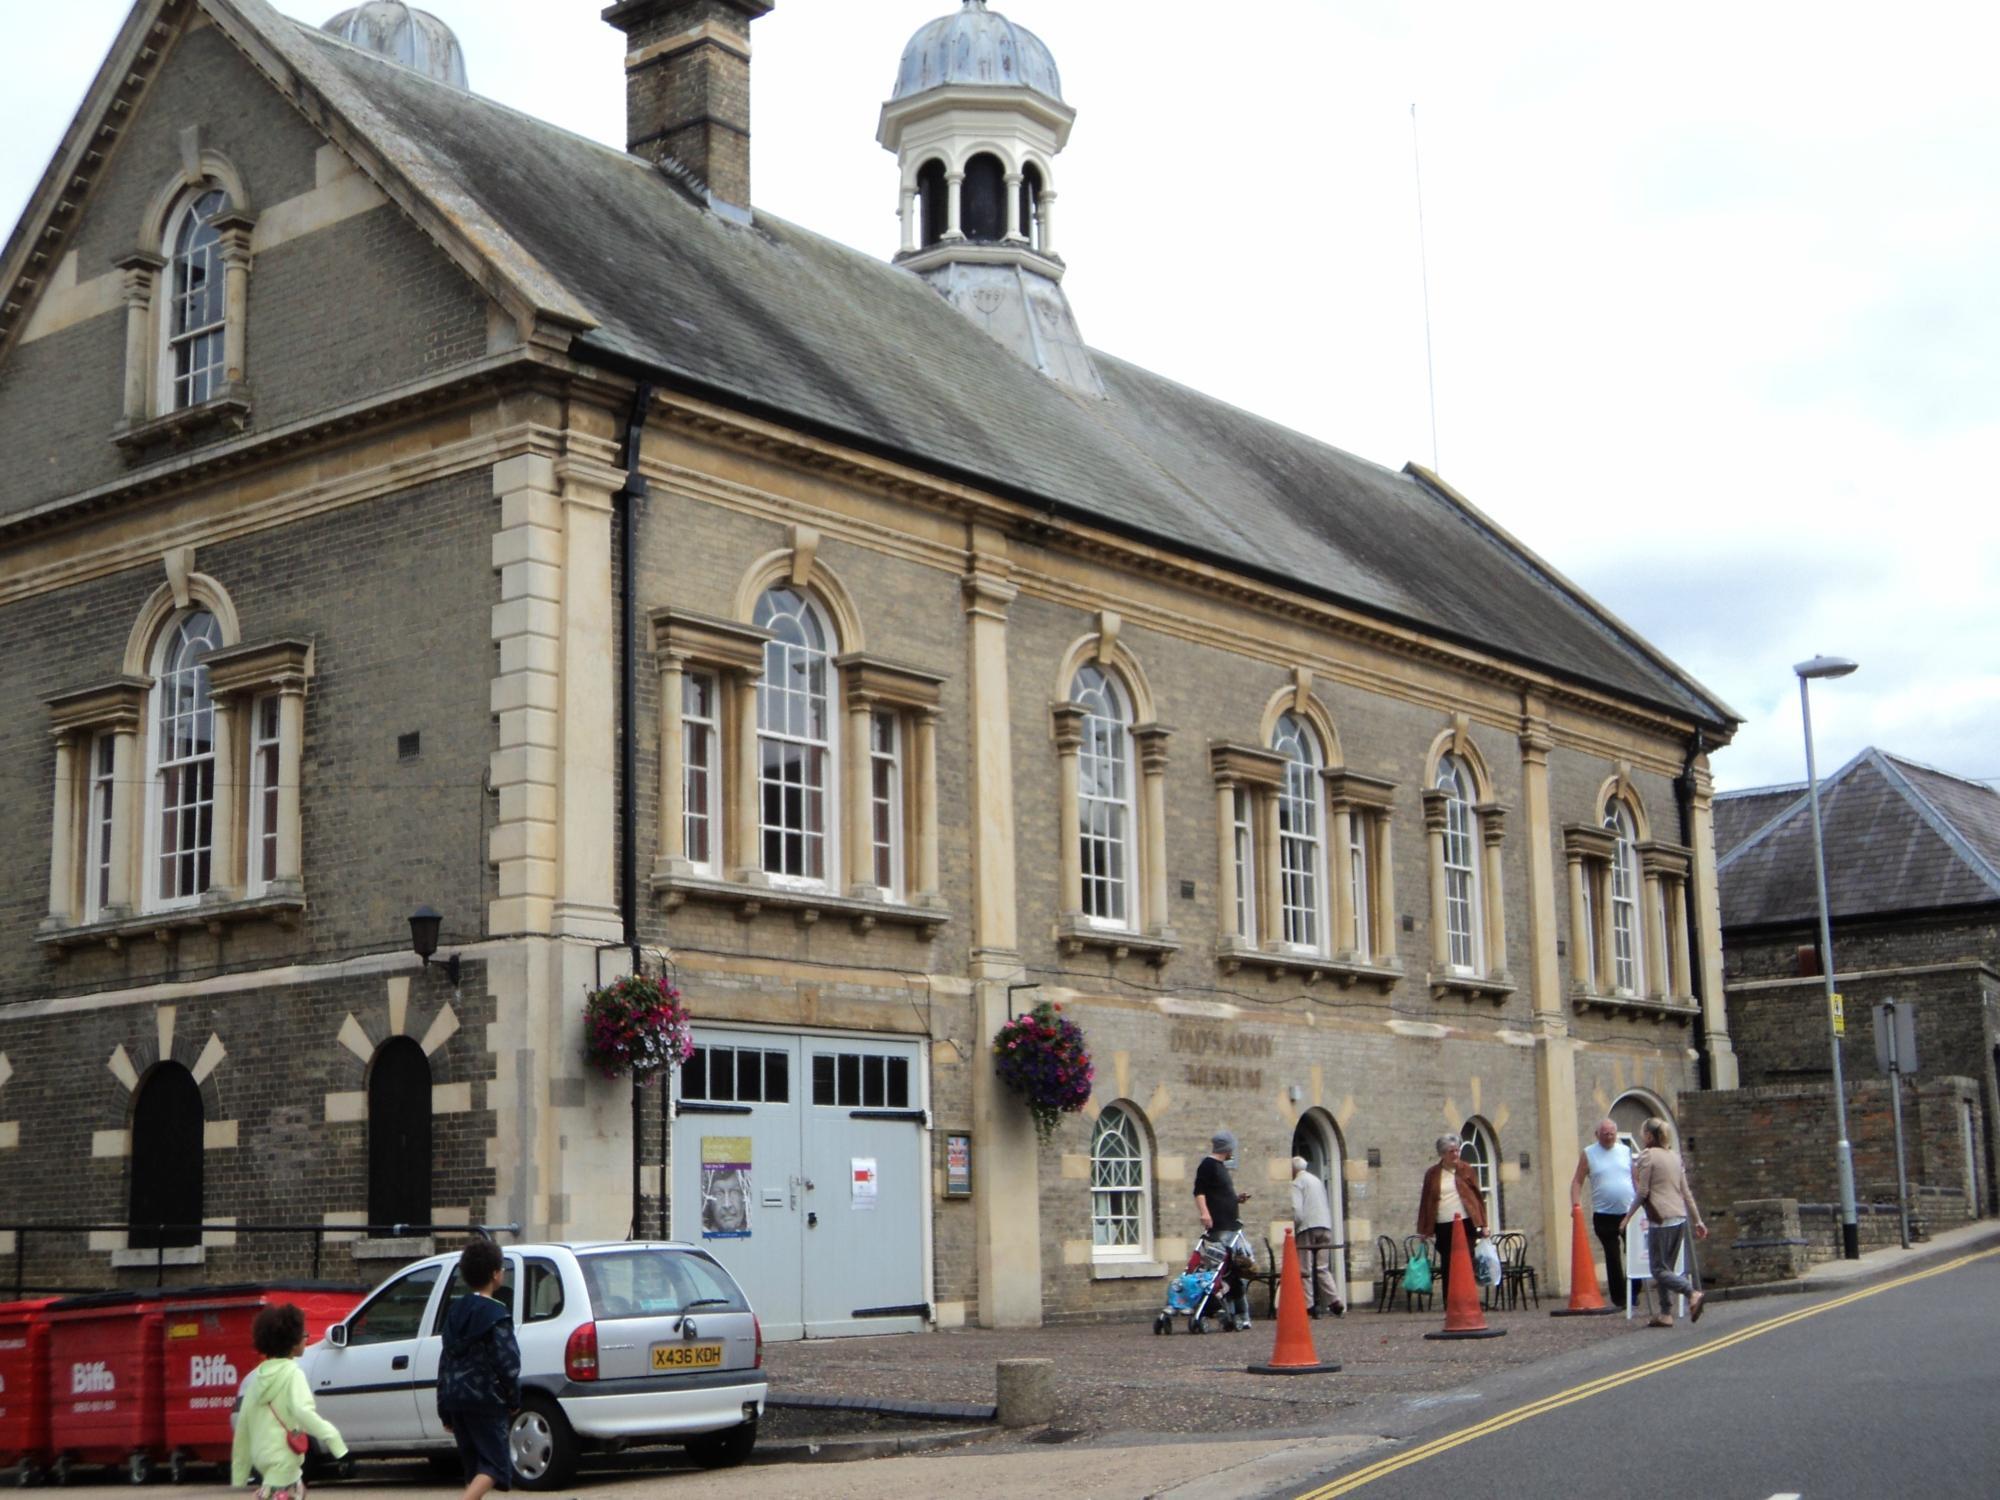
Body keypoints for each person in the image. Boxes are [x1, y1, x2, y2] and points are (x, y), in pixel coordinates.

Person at [230, 1303, 349, 1499]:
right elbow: (304, 1412)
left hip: (268, 1470)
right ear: (292, 1341)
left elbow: (243, 1429)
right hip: (286, 1468)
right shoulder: (293, 1374)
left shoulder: (256, 1380)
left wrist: (240, 1474)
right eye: (304, 1334)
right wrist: (336, 1443)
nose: (307, 1338)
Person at [437, 1237, 523, 1500]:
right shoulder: (496, 1314)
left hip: (455, 1399)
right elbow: (507, 1361)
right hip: (486, 1399)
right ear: (495, 1275)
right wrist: (513, 1397)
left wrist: (444, 1409)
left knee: (474, 1468)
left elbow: (445, 1361)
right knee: (495, 1464)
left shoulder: (454, 1311)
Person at [1621, 1117, 1707, 1328]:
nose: (1642, 1137)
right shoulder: (1675, 1157)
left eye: (1643, 1133)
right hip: (1679, 1217)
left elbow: (1643, 1191)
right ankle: (1666, 1313)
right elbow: (1686, 1192)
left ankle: (1692, 1293)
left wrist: (1627, 1217)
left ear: (1649, 1136)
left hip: (1660, 1218)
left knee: (1658, 1269)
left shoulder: (1648, 1156)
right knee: (1666, 1267)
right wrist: (1698, 1220)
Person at [1571, 1117, 1637, 1309]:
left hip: (1628, 1211)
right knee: (1613, 1256)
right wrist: (1576, 1205)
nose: (1609, 1137)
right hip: (1604, 1214)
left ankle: (1634, 1292)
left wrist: (1641, 1203)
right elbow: (1577, 1181)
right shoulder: (1589, 1153)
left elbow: (1634, 1179)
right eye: (1605, 1134)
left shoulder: (1625, 1151)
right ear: (1597, 1134)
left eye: (1612, 1134)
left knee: (1632, 1252)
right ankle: (1620, 1298)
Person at [1415, 1133, 1487, 1303]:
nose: (1455, 1154)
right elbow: (1426, 1201)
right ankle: (1451, 1303)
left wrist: (1484, 1224)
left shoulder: (1466, 1170)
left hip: (1466, 1223)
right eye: (1450, 1151)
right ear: (1442, 1154)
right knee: (1448, 1264)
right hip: (1443, 1225)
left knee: (1466, 1261)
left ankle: (1468, 1301)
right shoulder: (1432, 1174)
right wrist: (1425, 1229)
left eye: (1457, 1150)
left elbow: (1477, 1197)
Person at [1194, 1128, 1253, 1330]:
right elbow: (1199, 1192)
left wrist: (1236, 1199)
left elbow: (1219, 1194)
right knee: (1227, 1270)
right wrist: (1205, 1213)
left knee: (1238, 1269)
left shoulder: (1220, 1167)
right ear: (1226, 1148)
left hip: (1232, 1225)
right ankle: (1234, 1313)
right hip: (1221, 1226)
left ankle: (1240, 1314)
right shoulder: (1208, 1165)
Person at [1289, 1156, 1344, 1317]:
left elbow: (1297, 1210)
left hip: (1308, 1227)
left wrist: (1295, 1227)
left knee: (1304, 1268)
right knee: (1322, 1267)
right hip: (1325, 1225)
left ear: (1293, 1169)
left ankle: (1309, 1305)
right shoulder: (1317, 1181)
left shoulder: (1297, 1183)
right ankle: (1334, 1301)